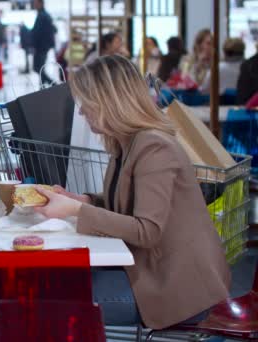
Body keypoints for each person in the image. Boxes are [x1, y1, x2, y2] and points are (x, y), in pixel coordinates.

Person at [33, 55, 230, 329]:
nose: (81, 112)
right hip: (151, 271)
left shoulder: (154, 148)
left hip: (177, 289)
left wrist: (77, 211)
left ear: (108, 101)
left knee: (54, 305)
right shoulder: (127, 142)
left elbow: (147, 230)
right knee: (56, 286)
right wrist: (83, 200)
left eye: (86, 103)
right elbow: (127, 204)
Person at [31, 0, 57, 86]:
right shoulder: (42, 15)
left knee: (38, 68)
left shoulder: (43, 16)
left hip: (41, 47)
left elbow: (41, 32)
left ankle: (53, 84)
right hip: (42, 47)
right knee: (39, 68)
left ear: (41, 3)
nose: (34, 5)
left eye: (36, 3)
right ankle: (43, 87)